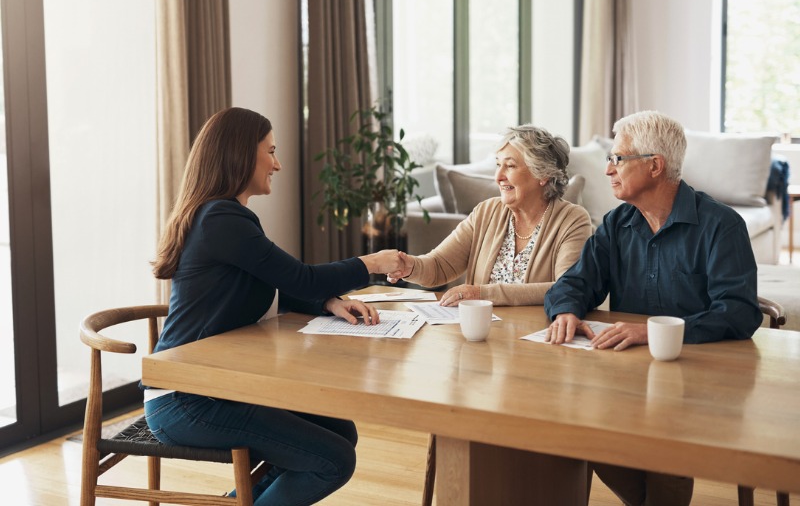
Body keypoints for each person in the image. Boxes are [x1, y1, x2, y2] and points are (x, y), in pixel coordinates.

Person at [145, 107, 405, 506]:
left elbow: (277, 285)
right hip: (188, 398)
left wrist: (329, 301)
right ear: (240, 154)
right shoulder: (221, 219)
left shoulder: (224, 216)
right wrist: (371, 264)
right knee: (332, 459)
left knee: (340, 433)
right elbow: (300, 276)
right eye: (271, 151)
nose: (278, 164)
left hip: (215, 388)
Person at [544, 110, 762, 506]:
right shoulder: (615, 224)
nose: (608, 169)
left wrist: (653, 332)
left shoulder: (721, 225)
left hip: (702, 380)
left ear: (655, 166)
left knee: (667, 440)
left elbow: (739, 312)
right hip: (629, 377)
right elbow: (575, 283)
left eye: (618, 158)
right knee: (575, 426)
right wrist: (566, 310)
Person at [389, 125, 592, 305]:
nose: (498, 177)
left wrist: (481, 293)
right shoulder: (486, 212)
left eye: (510, 166)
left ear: (542, 174)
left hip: (536, 335)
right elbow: (440, 265)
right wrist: (410, 267)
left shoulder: (572, 220)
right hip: (482, 332)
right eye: (498, 164)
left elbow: (567, 288)